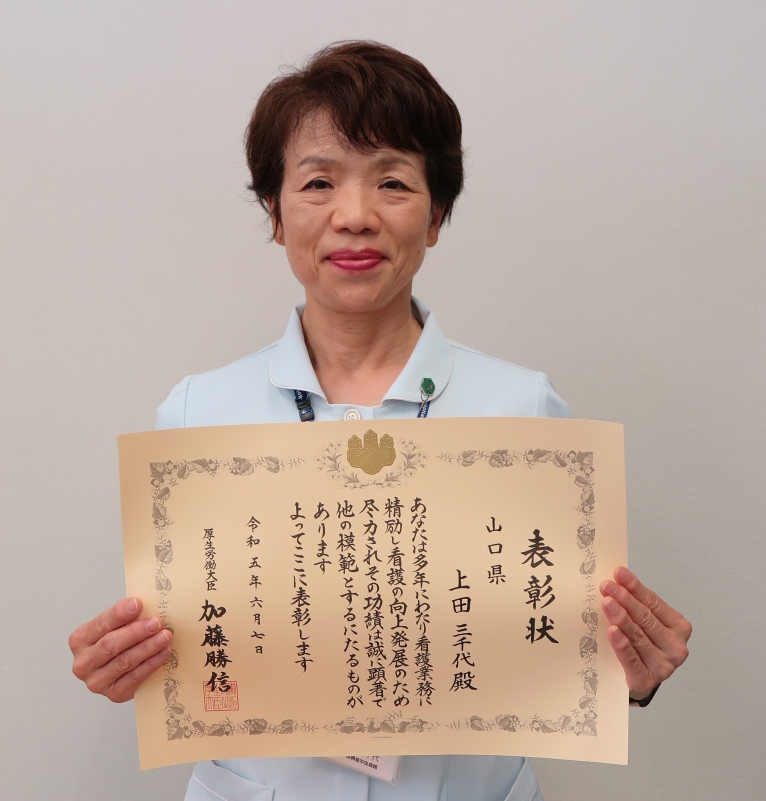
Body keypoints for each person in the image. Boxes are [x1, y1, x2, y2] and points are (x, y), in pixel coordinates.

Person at [69, 41, 692, 801]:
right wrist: (126, 663)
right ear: (275, 213)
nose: (355, 216)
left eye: (392, 182)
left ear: (436, 216)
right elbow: (197, 652)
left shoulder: (524, 408)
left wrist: (630, 675)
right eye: (318, 182)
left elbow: (556, 650)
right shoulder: (199, 414)